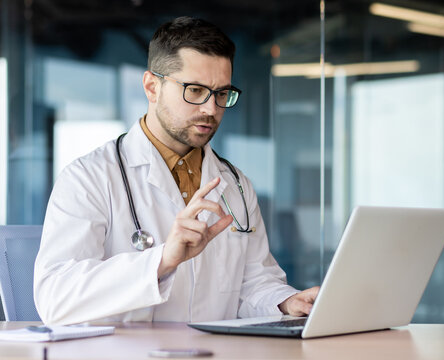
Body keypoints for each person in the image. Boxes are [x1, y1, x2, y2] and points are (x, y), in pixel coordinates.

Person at [34, 16, 319, 325]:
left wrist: (284, 302)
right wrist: (161, 261)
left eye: (222, 94)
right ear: (151, 86)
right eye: (195, 90)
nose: (211, 109)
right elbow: (55, 298)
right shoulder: (89, 178)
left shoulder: (236, 184)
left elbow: (252, 283)